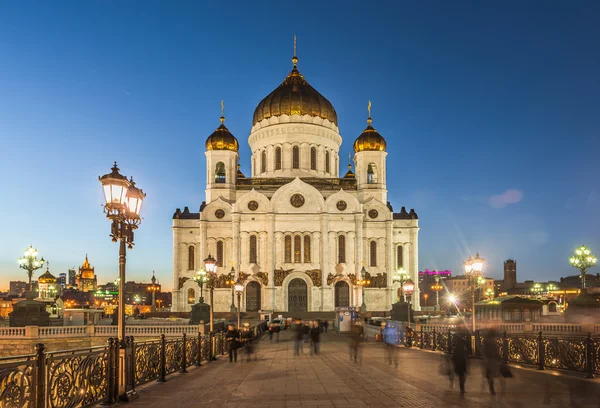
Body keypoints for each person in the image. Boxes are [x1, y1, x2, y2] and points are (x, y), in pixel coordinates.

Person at [482, 329, 502, 395]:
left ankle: (491, 388)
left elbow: (484, 350)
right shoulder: (493, 342)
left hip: (488, 360)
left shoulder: (486, 341)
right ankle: (492, 388)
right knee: (493, 374)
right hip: (493, 360)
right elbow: (496, 351)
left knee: (490, 375)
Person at [452, 331, 469, 396]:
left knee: (461, 374)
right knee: (462, 374)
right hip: (461, 359)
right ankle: (462, 388)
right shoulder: (461, 344)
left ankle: (462, 388)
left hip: (459, 359)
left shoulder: (457, 345)